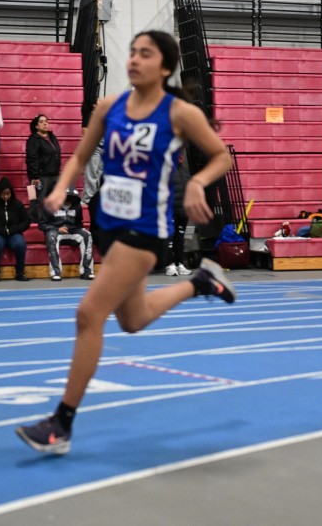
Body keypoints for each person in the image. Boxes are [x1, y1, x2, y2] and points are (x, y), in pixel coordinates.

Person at [15, 30, 236, 455]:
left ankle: (61, 425)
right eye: (132, 52)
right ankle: (200, 283)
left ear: (165, 67)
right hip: (110, 224)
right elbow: (80, 157)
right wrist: (59, 189)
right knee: (132, 320)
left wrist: (197, 184)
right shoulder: (109, 106)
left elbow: (221, 155)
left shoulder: (179, 113)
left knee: (88, 313)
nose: (134, 59)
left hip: (146, 229)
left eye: (145, 54)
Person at [0, 177, 30, 283]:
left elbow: (26, 222)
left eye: (8, 194)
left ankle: (20, 272)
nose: (6, 196)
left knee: (20, 244)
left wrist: (14, 229)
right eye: (3, 194)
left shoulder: (17, 204)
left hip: (14, 233)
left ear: (11, 193)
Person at [39, 188, 95, 281]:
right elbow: (42, 224)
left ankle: (87, 271)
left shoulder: (77, 206)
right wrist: (57, 229)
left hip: (72, 231)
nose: (69, 201)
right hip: (56, 231)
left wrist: (76, 229)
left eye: (72, 198)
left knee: (87, 235)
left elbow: (79, 222)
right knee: (51, 236)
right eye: (67, 198)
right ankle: (56, 272)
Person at [165, 152, 193, 276]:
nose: (180, 158)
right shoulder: (165, 171)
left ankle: (179, 264)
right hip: (169, 211)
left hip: (183, 211)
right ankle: (170, 265)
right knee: (169, 238)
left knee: (180, 238)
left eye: (181, 156)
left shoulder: (186, 173)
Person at [26, 114, 61, 198]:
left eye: (46, 121)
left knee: (55, 202)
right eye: (41, 122)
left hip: (54, 175)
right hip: (39, 177)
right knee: (35, 201)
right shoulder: (32, 139)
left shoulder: (52, 137)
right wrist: (35, 177)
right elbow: (31, 159)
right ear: (36, 126)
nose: (45, 123)